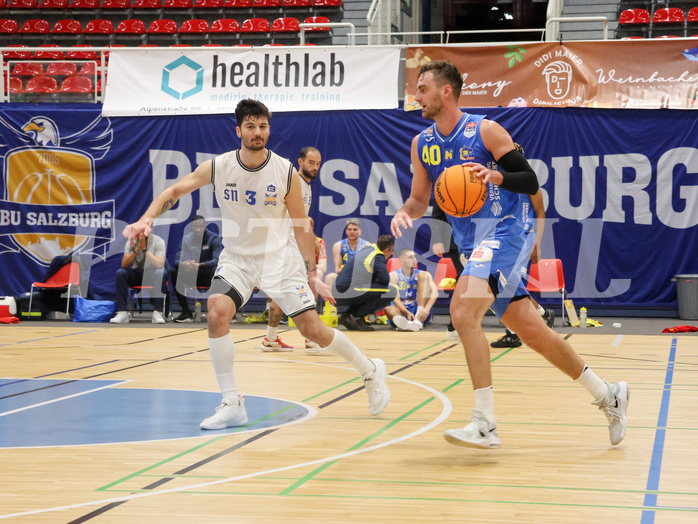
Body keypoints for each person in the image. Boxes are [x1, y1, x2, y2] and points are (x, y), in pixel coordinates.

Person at [391, 60, 628, 449]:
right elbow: (419, 199)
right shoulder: (422, 144)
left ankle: (484, 423)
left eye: (422, 88)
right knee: (532, 332)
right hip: (474, 244)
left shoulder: (485, 130)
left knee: (463, 311)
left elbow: (530, 179)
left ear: (445, 91)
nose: (416, 96)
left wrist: (497, 175)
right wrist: (405, 212)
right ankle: (608, 394)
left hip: (506, 233)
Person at [123, 99, 389, 429]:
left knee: (312, 330)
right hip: (238, 258)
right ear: (239, 130)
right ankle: (232, 403)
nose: (257, 132)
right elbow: (176, 189)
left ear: (268, 129)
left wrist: (311, 273)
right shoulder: (219, 166)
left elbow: (301, 225)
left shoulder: (285, 172)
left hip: (280, 259)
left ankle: (370, 369)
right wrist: (147, 220)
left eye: (263, 126)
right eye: (250, 126)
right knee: (218, 311)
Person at [260, 147, 324, 353]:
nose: (315, 167)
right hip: (285, 244)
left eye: (318, 163)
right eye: (311, 163)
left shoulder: (307, 185)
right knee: (304, 289)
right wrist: (311, 239)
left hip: (289, 244)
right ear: (300, 162)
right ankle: (312, 338)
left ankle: (270, 337)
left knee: (282, 292)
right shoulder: (293, 182)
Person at [491, 185, 555, 347]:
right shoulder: (497, 183)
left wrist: (537, 243)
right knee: (509, 283)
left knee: (506, 283)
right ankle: (543, 313)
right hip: (504, 237)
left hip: (525, 237)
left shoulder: (528, 183)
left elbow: (540, 213)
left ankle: (513, 333)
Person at [334, 234, 396, 332]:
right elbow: (385, 280)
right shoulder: (377, 256)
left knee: (372, 290)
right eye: (391, 251)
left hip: (340, 291)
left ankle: (348, 315)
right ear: (386, 250)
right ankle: (357, 316)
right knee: (391, 291)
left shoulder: (368, 249)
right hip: (347, 291)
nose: (391, 254)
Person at [170, 215, 223, 323]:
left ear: (205, 226)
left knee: (219, 272)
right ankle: (186, 312)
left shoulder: (214, 238)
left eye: (200, 226)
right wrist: (184, 264)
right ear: (191, 228)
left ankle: (219, 312)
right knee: (174, 272)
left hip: (209, 274)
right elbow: (176, 261)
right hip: (193, 273)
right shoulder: (186, 239)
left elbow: (217, 261)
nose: (198, 229)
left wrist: (200, 265)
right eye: (195, 227)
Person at [110, 232, 168, 324]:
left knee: (161, 273)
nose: (141, 234)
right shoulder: (131, 242)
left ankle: (158, 312)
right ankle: (122, 312)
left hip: (152, 274)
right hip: (137, 273)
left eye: (144, 231)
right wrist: (137, 248)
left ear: (149, 230)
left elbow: (159, 264)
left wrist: (145, 249)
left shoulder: (158, 241)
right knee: (120, 273)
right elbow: (124, 264)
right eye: (139, 230)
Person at [384, 248, 437, 332]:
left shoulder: (423, 274)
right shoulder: (393, 276)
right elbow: (396, 300)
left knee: (424, 275)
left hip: (418, 312)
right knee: (388, 309)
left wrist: (426, 309)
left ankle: (418, 321)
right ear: (402, 261)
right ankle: (404, 323)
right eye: (410, 257)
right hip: (401, 311)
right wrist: (406, 312)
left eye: (414, 257)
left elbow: (435, 292)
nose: (414, 260)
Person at [324, 218, 371, 289]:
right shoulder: (338, 246)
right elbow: (337, 269)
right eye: (349, 229)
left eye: (355, 229)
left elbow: (368, 268)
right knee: (329, 277)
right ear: (346, 231)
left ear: (360, 232)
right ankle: (330, 300)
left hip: (361, 277)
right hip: (344, 275)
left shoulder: (367, 245)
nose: (352, 232)